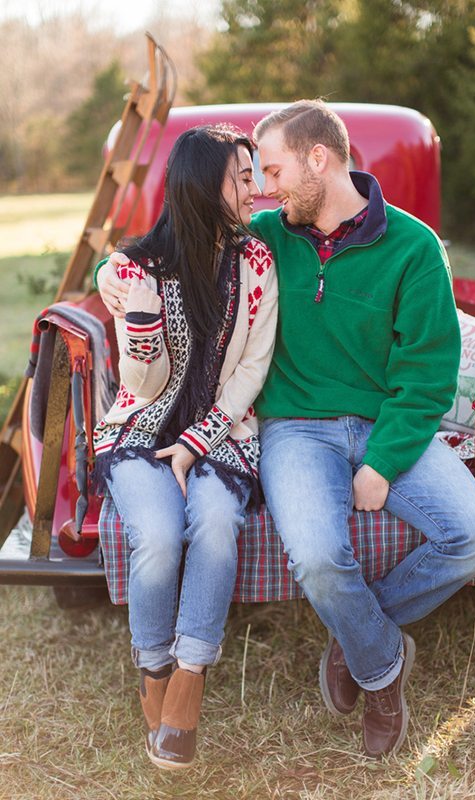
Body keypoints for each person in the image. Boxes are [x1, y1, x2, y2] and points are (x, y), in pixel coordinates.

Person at [96, 100, 475, 759]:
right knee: (317, 557)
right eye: (256, 173)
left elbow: (428, 373)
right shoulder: (262, 236)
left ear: (320, 160)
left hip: (383, 425)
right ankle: (382, 670)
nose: (264, 184)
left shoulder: (414, 247)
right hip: (296, 431)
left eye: (276, 168)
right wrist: (108, 277)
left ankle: (358, 639)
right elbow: (171, 241)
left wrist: (383, 463)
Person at [92, 124, 277, 770]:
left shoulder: (256, 262)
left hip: (223, 434)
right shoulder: (139, 267)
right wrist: (139, 323)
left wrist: (198, 442)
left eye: (255, 175)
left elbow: (253, 367)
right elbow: (139, 383)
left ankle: (192, 673)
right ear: (204, 184)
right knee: (161, 536)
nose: (255, 189)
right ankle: (154, 668)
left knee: (218, 522)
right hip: (140, 433)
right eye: (243, 176)